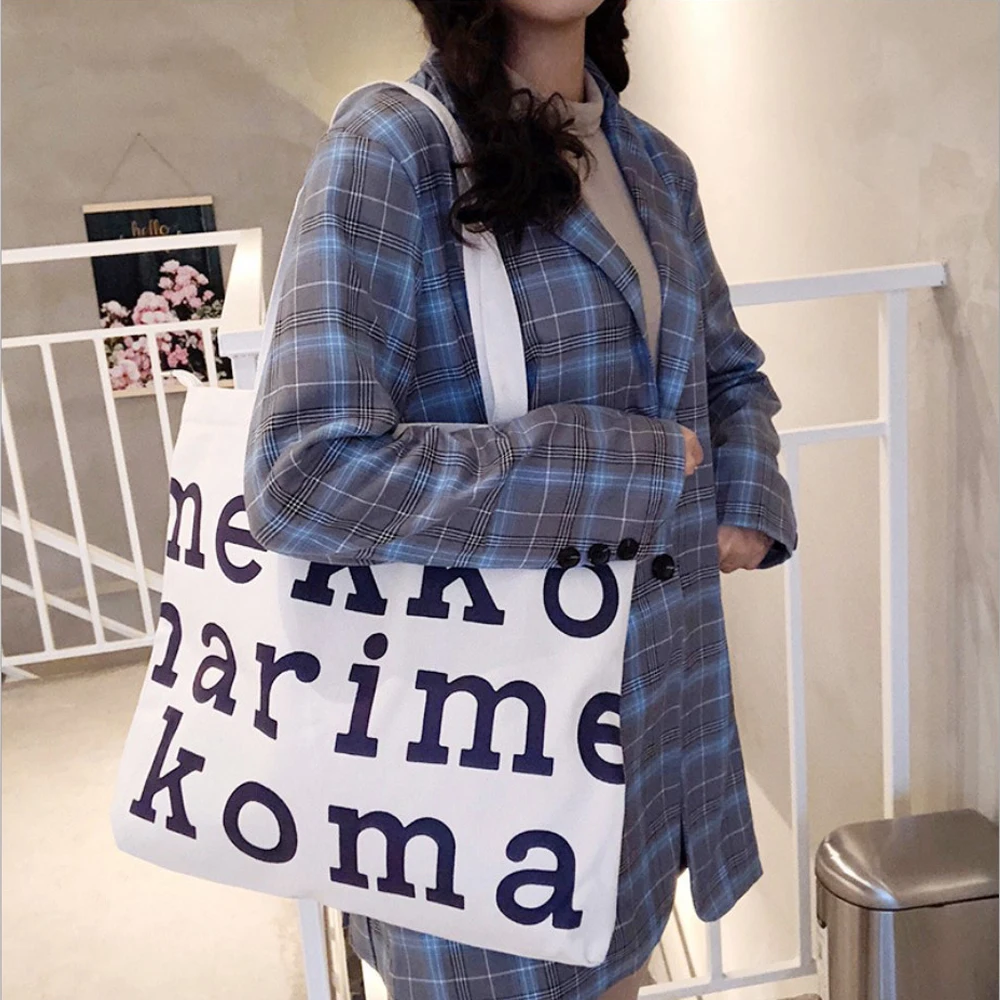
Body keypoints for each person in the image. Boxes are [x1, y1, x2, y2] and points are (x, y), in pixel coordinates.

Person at [244, 1, 797, 998]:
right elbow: (304, 474)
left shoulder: (654, 164)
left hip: (643, 723)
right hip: (475, 761)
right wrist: (619, 469)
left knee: (625, 965)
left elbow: (725, 372)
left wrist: (746, 493)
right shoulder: (393, 149)